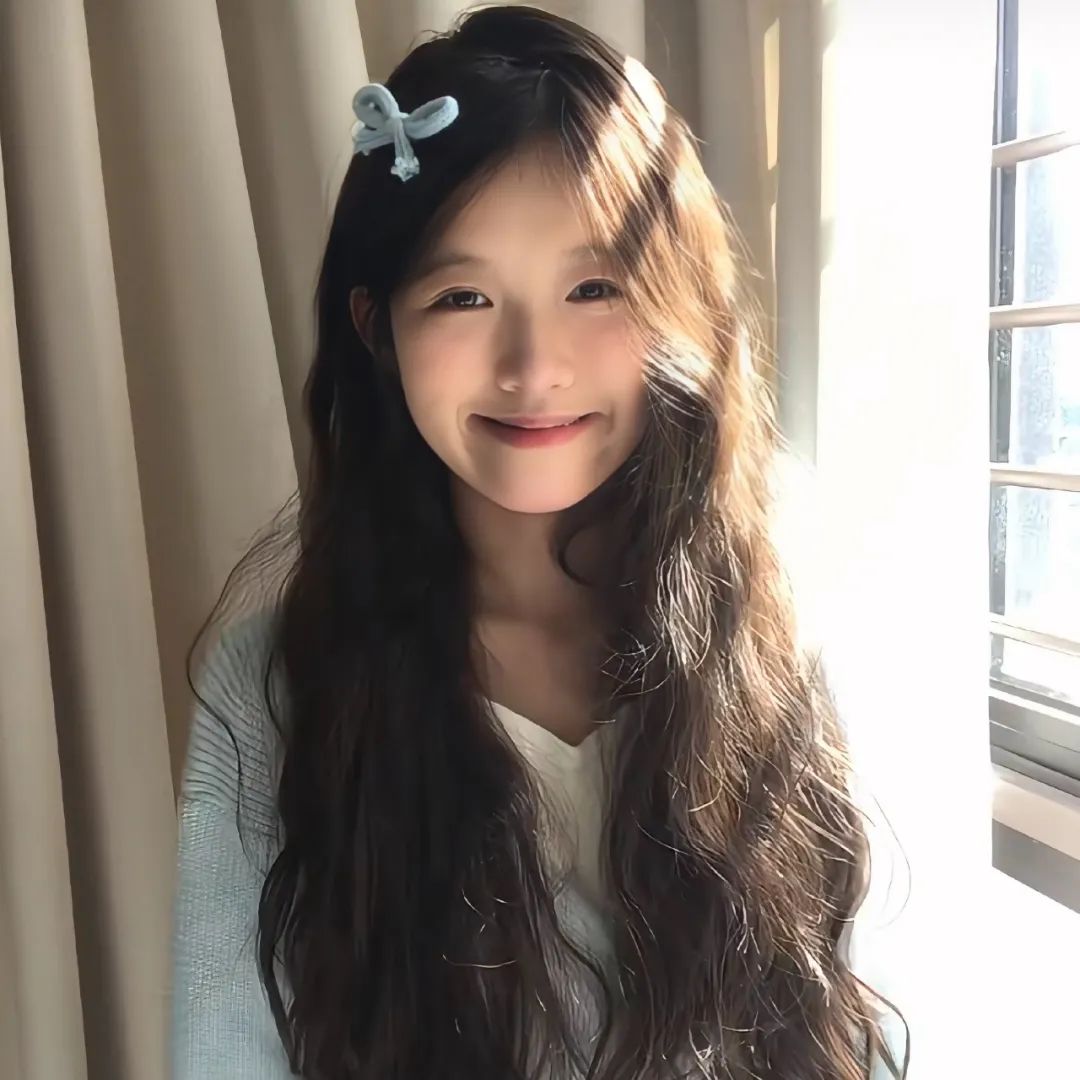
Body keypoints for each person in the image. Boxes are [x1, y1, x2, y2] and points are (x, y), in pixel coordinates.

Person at [169, 5, 909, 1078]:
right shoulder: (274, 689)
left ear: (677, 309)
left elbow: (855, 1025)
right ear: (378, 327)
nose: (532, 366)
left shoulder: (781, 641)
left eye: (594, 288)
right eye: (463, 296)